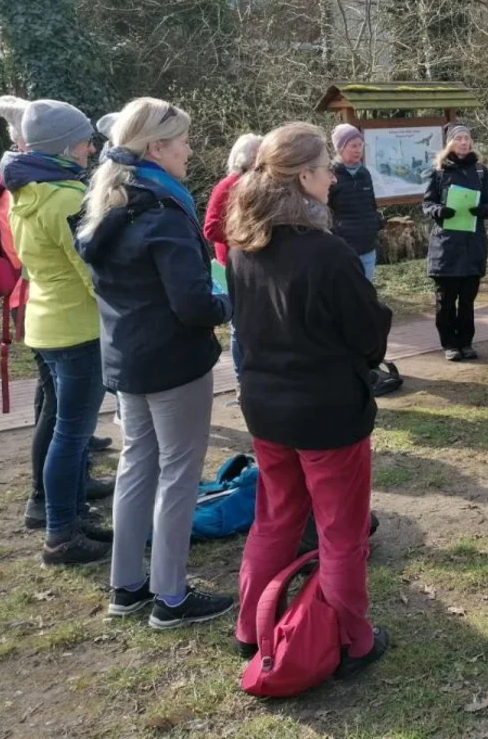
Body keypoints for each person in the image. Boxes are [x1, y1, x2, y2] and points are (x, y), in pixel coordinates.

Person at [226, 122, 393, 677]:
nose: (332, 179)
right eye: (325, 169)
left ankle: (251, 628)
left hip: (268, 409)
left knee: (274, 520)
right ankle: (352, 639)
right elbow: (369, 333)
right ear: (304, 177)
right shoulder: (327, 253)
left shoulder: (245, 246)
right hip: (326, 414)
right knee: (341, 532)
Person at [76, 98, 235, 628]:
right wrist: (228, 303)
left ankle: (126, 586)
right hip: (172, 362)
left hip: (127, 360)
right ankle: (170, 596)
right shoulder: (162, 214)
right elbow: (192, 304)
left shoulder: (108, 206)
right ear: (157, 147)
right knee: (178, 475)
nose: (190, 150)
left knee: (137, 466)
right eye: (184, 140)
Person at [0, 98, 115, 530]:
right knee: (72, 433)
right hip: (76, 328)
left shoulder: (25, 190)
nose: (89, 150)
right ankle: (62, 529)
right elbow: (91, 270)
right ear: (64, 147)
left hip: (43, 319)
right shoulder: (67, 198)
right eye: (83, 142)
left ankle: (60, 506)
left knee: (60, 423)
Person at [422, 124, 488, 362]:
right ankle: (449, 344)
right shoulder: (438, 171)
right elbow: (427, 204)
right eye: (459, 138)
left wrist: (482, 210)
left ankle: (466, 343)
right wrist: (440, 210)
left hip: (473, 244)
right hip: (446, 246)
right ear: (449, 143)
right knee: (445, 299)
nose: (464, 142)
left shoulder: (481, 171)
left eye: (467, 138)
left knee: (467, 300)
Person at [203, 133, 262, 383]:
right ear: (247, 158)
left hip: (254, 264)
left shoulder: (256, 184)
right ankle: (241, 380)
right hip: (234, 267)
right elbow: (210, 228)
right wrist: (246, 237)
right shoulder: (228, 185)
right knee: (240, 325)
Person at [327, 123, 384, 281]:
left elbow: (371, 205)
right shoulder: (330, 174)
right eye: (353, 146)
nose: (358, 150)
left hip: (367, 246)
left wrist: (376, 222)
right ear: (340, 148)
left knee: (366, 294)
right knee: (346, 294)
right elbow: (324, 210)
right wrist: (335, 233)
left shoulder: (364, 173)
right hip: (343, 248)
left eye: (360, 145)